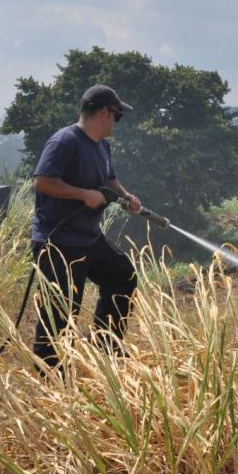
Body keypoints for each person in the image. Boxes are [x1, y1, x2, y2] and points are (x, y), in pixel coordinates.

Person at [31, 84, 142, 368]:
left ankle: (106, 346)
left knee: (123, 276)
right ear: (104, 113)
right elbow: (43, 181)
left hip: (89, 238)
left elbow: (109, 180)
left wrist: (126, 196)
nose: (116, 123)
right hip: (58, 241)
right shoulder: (64, 142)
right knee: (61, 310)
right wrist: (83, 194)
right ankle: (49, 374)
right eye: (117, 116)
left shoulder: (102, 146)